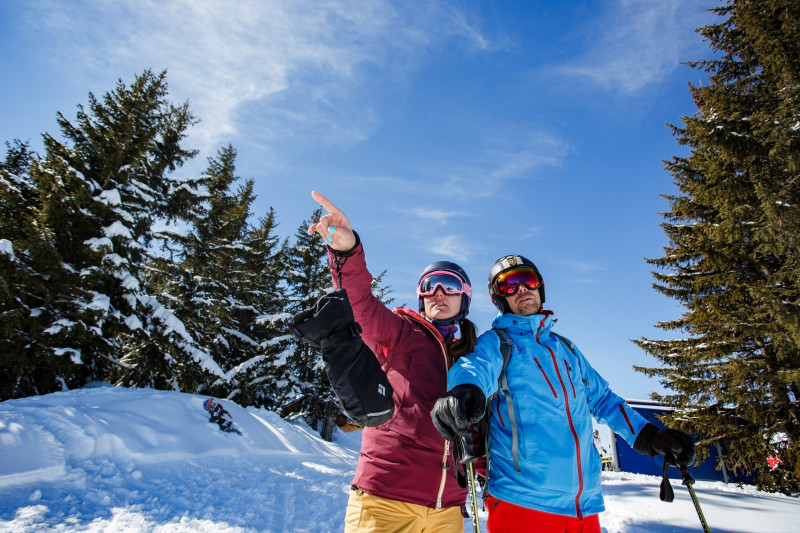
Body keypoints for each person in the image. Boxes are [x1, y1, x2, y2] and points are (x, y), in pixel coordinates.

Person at [430, 254, 695, 533]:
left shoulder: (566, 349)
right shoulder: (497, 343)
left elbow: (603, 400)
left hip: (584, 507)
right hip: (522, 504)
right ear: (499, 298)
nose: (521, 289)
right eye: (509, 285)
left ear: (540, 288)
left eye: (527, 280)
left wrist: (648, 436)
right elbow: (474, 368)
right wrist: (463, 390)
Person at [307, 191, 478, 533]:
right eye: (430, 286)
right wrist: (346, 251)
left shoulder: (477, 357)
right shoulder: (403, 331)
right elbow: (360, 307)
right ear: (421, 297)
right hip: (386, 498)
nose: (439, 293)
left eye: (449, 285)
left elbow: (482, 429)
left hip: (448, 511)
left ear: (465, 297)